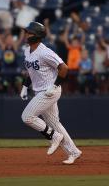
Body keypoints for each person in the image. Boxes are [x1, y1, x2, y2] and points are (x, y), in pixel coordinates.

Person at [20, 22, 82, 164]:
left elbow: (64, 68)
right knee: (55, 123)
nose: (26, 34)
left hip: (50, 91)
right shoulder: (26, 50)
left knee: (27, 117)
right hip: (39, 91)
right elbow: (30, 71)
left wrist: (55, 86)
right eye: (26, 32)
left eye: (29, 32)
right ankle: (73, 151)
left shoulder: (45, 52)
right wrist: (25, 86)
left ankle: (53, 137)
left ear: (37, 36)